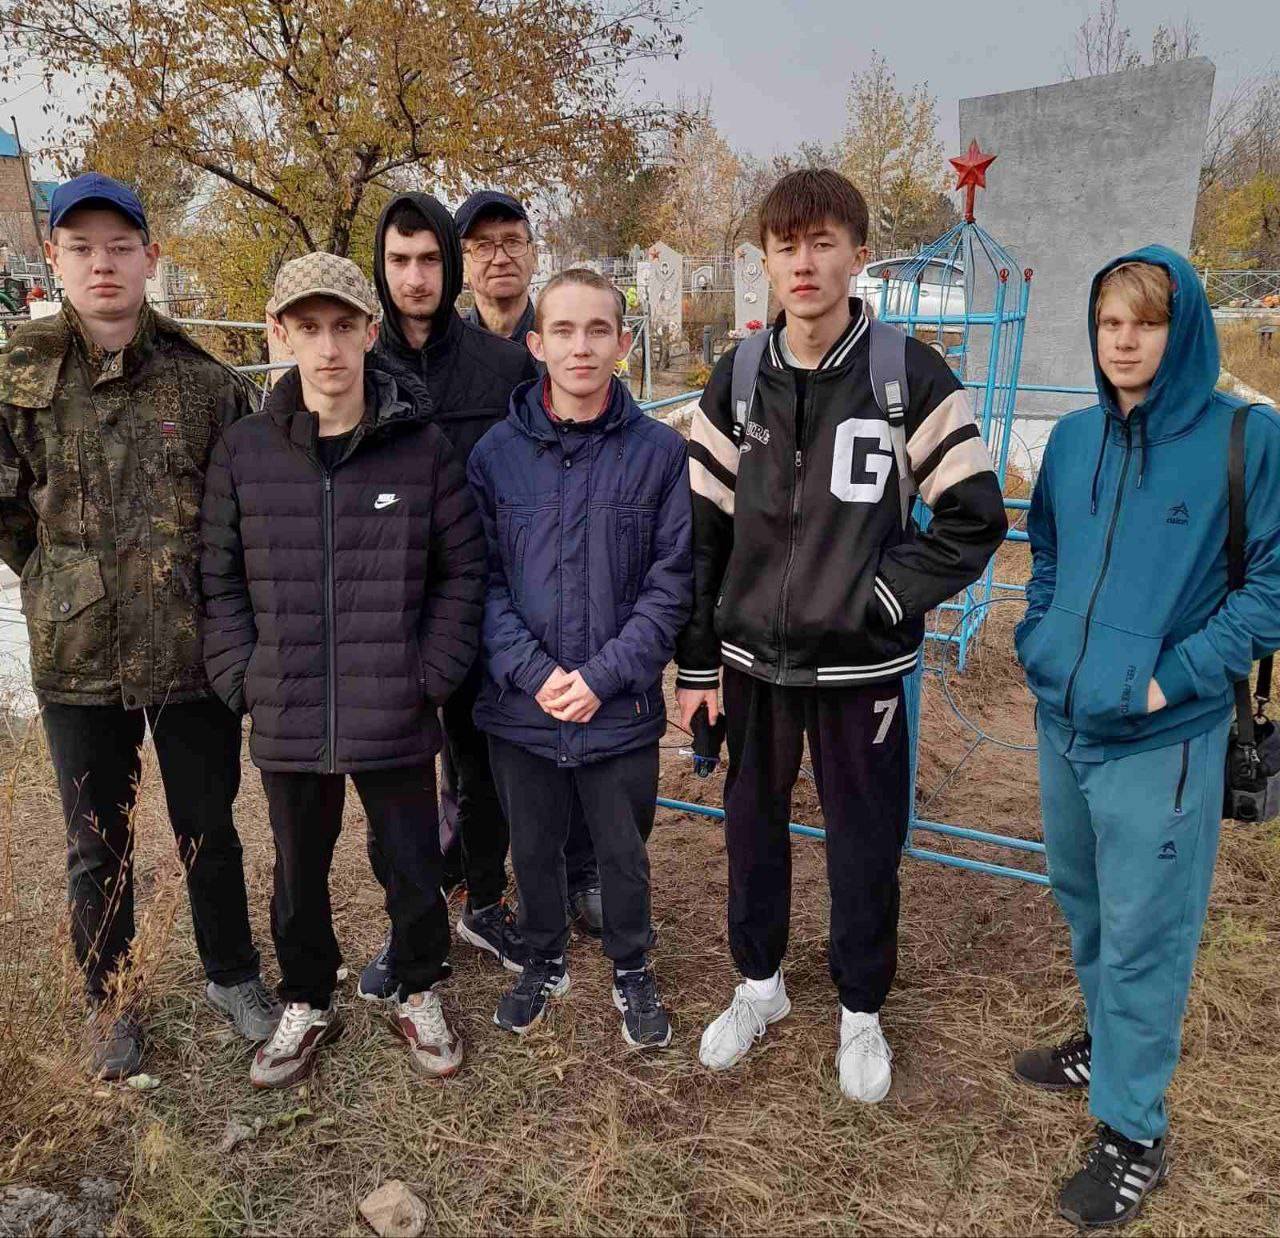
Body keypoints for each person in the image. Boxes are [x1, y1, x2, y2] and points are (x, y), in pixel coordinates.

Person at [673, 169, 1007, 1100]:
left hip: (862, 670)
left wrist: (882, 597)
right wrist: (696, 658)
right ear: (765, 260)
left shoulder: (908, 373)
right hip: (752, 665)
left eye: (823, 243)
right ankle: (760, 985)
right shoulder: (739, 376)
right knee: (751, 832)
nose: (804, 263)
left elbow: (974, 517)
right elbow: (701, 532)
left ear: (859, 254)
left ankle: (861, 1007)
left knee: (863, 841)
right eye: (786, 246)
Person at [1013, 249, 1280, 1228]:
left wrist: (1170, 677)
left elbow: (1270, 587)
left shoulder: (1244, 439)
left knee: (1144, 937)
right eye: (1108, 322)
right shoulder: (1073, 438)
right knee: (1084, 902)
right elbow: (1047, 551)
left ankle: (1132, 1131)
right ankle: (1107, 1041)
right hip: (1064, 723)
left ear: (1183, 328)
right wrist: (1038, 637)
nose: (1122, 342)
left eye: (1146, 322)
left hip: (1162, 740)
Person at [0, 173, 276, 1079]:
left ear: (151, 256)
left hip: (190, 647)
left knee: (210, 826)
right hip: (77, 654)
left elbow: (238, 513)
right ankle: (110, 1001)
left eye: (120, 247)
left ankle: (232, 975)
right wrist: (63, 579)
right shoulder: (18, 375)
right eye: (82, 249)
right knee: (96, 842)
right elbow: (8, 511)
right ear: (54, 259)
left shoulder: (205, 383)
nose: (103, 265)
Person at [200, 252, 486, 1087]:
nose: (327, 348)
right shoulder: (245, 452)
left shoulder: (420, 450)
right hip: (288, 704)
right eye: (308, 328)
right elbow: (217, 577)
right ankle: (306, 997)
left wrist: (429, 673)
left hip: (394, 702)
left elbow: (462, 571)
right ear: (279, 333)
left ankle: (418, 986)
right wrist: (245, 675)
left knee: (412, 862)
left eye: (342, 327)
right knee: (298, 870)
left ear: (370, 331)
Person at [468, 268, 692, 1046]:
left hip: (617, 706)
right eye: (563, 330)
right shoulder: (495, 456)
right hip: (522, 706)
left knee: (622, 851)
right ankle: (542, 957)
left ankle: (632, 966)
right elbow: (481, 582)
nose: (581, 347)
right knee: (532, 845)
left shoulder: (660, 455)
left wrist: (603, 677)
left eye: (599, 330)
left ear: (623, 342)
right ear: (536, 344)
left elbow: (670, 586)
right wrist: (535, 675)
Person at [359, 192, 539, 999]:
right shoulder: (363, 368)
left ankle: (486, 901)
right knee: (396, 775)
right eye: (400, 261)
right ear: (381, 267)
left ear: (450, 265)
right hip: (386, 609)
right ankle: (411, 920)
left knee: (481, 763)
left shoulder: (502, 368)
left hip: (481, 602)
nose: (415, 277)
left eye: (430, 259)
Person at [455, 188, 603, 939]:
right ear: (464, 262)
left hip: (566, 574)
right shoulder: (449, 354)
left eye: (511, 240)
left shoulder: (565, 341)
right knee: (474, 751)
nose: (498, 257)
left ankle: (581, 871)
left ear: (533, 252)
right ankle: (481, 881)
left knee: (573, 731)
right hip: (478, 574)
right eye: (481, 245)